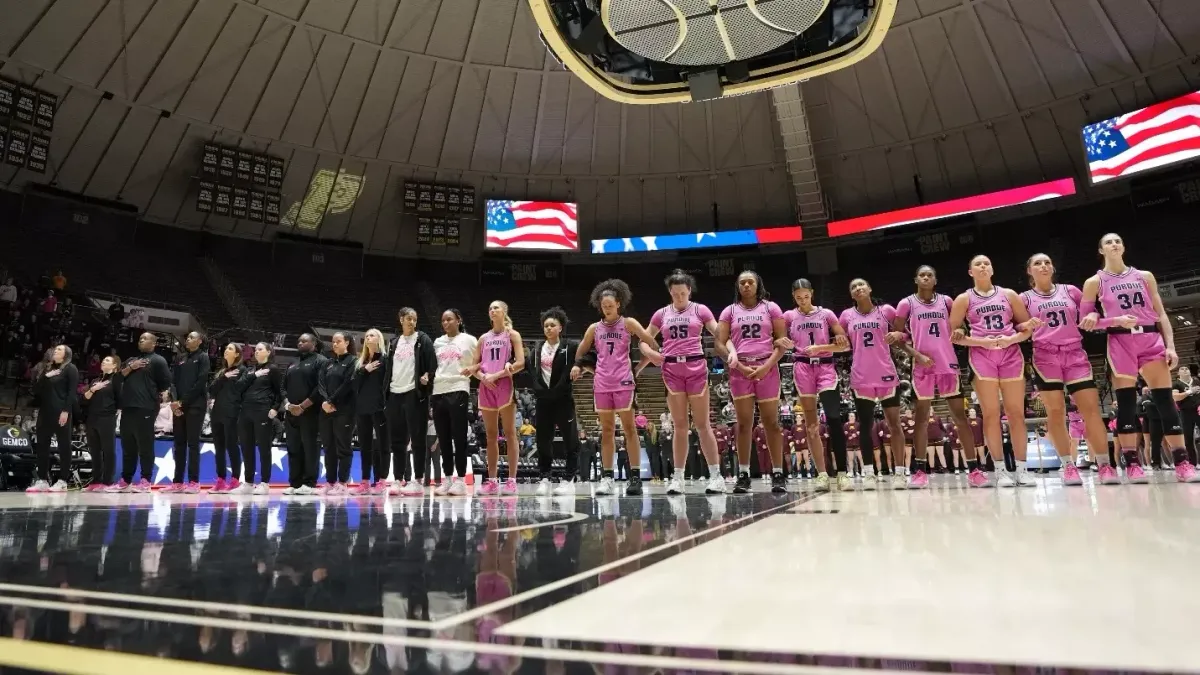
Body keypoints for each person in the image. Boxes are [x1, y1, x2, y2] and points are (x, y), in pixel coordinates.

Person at [1079, 232, 1199, 482]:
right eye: (1108, 242)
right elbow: (1086, 321)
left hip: (1150, 338)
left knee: (1165, 400)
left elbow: (1161, 313)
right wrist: (1113, 320)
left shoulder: (1144, 276)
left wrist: (1171, 346)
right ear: (1101, 250)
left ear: (1123, 247)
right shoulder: (1094, 281)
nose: (1114, 244)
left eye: (1118, 241)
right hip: (1120, 340)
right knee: (1125, 403)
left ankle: (1182, 462)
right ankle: (1132, 464)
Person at [1018, 253, 1113, 485]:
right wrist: (1025, 325)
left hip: (1075, 353)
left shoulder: (1070, 291)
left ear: (1053, 268)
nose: (1043, 265)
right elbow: (1017, 326)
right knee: (1056, 412)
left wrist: (1093, 314)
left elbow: (1091, 312)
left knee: (1091, 411)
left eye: (1047, 262)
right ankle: (1068, 466)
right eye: (1038, 263)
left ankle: (1104, 465)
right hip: (1045, 355)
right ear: (1029, 271)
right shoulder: (1023, 299)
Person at [893, 265, 985, 488]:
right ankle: (920, 471)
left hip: (948, 362)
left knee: (960, 417)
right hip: (921, 365)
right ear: (916, 279)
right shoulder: (906, 303)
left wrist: (961, 330)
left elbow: (960, 326)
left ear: (935, 280)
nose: (925, 277)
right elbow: (898, 338)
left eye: (930, 275)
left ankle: (974, 469)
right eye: (922, 275)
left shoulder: (947, 302)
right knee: (922, 419)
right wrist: (917, 355)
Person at [949, 255, 1035, 487]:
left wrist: (1012, 339)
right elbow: (954, 336)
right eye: (978, 264)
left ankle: (1022, 469)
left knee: (1016, 413)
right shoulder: (963, 299)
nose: (983, 266)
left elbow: (1027, 328)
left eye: (986, 263)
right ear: (970, 272)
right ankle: (999, 470)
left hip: (1010, 354)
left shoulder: (1009, 295)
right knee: (990, 414)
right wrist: (981, 342)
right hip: (981, 355)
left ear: (992, 269)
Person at [573, 279, 660, 496]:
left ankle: (635, 477)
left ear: (619, 304)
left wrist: (639, 366)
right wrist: (588, 369)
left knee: (629, 429)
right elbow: (579, 354)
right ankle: (607, 478)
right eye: (604, 306)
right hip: (602, 383)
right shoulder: (594, 328)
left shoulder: (629, 323)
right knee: (607, 431)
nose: (607, 309)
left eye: (610, 305)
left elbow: (652, 343)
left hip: (624, 382)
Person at [644, 270, 726, 495]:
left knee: (702, 424)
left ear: (689, 290)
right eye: (675, 293)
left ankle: (716, 476)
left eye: (683, 293)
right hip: (671, 368)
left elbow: (719, 332)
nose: (679, 297)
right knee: (679, 426)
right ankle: (677, 478)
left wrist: (731, 347)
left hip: (696, 366)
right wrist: (650, 353)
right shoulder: (661, 314)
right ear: (670, 292)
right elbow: (643, 340)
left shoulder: (701, 310)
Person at [717, 271, 788, 494]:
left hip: (767, 367)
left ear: (758, 285)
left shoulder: (771, 308)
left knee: (771, 422)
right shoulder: (729, 311)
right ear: (737, 287)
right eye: (742, 283)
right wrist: (739, 366)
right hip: (741, 371)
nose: (746, 285)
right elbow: (720, 343)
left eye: (750, 282)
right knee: (743, 424)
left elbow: (782, 342)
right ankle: (743, 474)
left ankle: (778, 473)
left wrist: (767, 366)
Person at [781, 278, 850, 491]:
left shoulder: (826, 314)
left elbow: (844, 345)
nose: (803, 300)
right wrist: (782, 341)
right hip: (802, 367)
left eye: (806, 296)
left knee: (834, 418)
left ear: (811, 293)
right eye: (798, 297)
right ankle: (821, 474)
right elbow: (779, 339)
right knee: (811, 425)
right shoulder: (788, 316)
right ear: (793, 297)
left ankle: (842, 473)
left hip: (826, 366)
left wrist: (821, 347)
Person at [839, 278, 906, 490]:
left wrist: (899, 334)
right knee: (866, 426)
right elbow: (841, 342)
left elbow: (904, 334)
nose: (858, 288)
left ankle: (900, 473)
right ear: (851, 294)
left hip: (886, 373)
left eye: (861, 285)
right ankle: (869, 473)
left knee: (894, 424)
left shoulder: (886, 311)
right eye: (853, 287)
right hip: (861, 376)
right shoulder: (846, 316)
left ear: (869, 288)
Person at [464, 300, 525, 495]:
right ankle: (492, 481)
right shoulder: (483, 338)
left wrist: (496, 375)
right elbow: (475, 366)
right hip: (486, 386)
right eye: (490, 308)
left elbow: (521, 363)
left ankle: (512, 480)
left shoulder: (512, 335)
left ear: (504, 311)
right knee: (491, 436)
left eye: (496, 307)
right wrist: (482, 377)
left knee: (510, 433)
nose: (492, 310)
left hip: (504, 384)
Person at [107, 333, 172, 493]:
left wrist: (153, 394)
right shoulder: (131, 360)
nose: (141, 340)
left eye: (145, 338)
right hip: (128, 407)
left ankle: (145, 480)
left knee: (145, 446)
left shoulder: (158, 360)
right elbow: (117, 378)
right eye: (140, 338)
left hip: (146, 407)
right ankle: (126, 480)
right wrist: (131, 367)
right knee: (128, 446)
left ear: (154, 343)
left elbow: (165, 382)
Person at [383, 308, 438, 496]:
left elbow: (432, 364)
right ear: (401, 320)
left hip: (414, 394)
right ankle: (398, 479)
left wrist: (427, 376)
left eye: (414, 319)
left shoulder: (423, 339)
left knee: (417, 438)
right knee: (397, 440)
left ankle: (418, 479)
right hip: (394, 393)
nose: (412, 322)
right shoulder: (393, 343)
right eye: (408, 318)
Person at [529, 306, 583, 496]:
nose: (549, 328)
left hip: (563, 399)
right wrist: (539, 389)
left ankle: (568, 479)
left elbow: (583, 360)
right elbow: (532, 372)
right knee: (543, 441)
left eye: (552, 325)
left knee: (570, 440)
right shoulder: (536, 349)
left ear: (560, 327)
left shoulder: (570, 347)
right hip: (543, 401)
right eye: (546, 325)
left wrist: (578, 367)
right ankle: (545, 478)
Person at [431, 309, 477, 496]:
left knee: (459, 436)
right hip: (438, 390)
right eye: (443, 320)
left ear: (459, 320)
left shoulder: (470, 340)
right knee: (443, 438)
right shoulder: (437, 342)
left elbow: (480, 361)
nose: (445, 323)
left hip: (458, 387)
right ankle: (448, 478)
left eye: (449, 319)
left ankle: (460, 479)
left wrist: (473, 368)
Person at [27, 345, 79, 493]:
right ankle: (42, 480)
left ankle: (63, 481)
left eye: (59, 350)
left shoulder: (70, 368)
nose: (56, 351)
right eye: (55, 349)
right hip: (45, 412)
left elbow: (72, 392)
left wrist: (66, 411)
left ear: (66, 354)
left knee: (64, 445)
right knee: (42, 445)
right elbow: (36, 390)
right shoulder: (48, 369)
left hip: (61, 412)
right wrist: (45, 377)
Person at [164, 331, 210, 494]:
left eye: (192, 337)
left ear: (199, 341)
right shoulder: (180, 358)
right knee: (179, 443)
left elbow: (201, 382)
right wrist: (175, 401)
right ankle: (177, 482)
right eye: (187, 337)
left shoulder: (203, 357)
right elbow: (173, 381)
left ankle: (193, 482)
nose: (188, 339)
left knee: (192, 443)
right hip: (178, 405)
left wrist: (182, 401)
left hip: (195, 405)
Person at [281, 334, 327, 496]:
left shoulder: (321, 361)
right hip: (291, 413)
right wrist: (288, 405)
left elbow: (320, 388)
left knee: (310, 448)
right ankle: (295, 483)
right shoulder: (293, 363)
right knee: (293, 448)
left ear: (314, 344)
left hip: (311, 413)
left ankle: (309, 483)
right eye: (299, 341)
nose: (300, 343)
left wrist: (302, 406)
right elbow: (283, 387)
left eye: (304, 341)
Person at [234, 342, 282, 495]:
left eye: (260, 349)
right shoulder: (250, 370)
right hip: (245, 411)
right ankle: (248, 482)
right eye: (255, 349)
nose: (256, 351)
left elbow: (280, 391)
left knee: (263, 448)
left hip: (262, 411)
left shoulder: (273, 369)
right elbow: (238, 387)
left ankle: (265, 483)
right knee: (246, 447)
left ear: (268, 352)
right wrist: (254, 375)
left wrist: (275, 408)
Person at [318, 332, 357, 495]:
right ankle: (330, 482)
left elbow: (348, 384)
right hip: (326, 410)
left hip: (345, 410)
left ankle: (342, 482)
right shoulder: (328, 363)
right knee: (328, 447)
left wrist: (331, 400)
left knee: (343, 447)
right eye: (333, 341)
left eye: (338, 341)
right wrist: (326, 401)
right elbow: (321, 383)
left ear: (347, 342)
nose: (334, 344)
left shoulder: (353, 361)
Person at [353, 329, 389, 494]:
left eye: (372, 335)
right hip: (362, 408)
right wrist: (364, 370)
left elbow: (388, 383)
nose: (368, 338)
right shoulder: (361, 362)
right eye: (366, 336)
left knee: (383, 444)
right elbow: (353, 384)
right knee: (365, 446)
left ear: (379, 339)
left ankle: (382, 480)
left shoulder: (385, 359)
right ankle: (365, 481)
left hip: (380, 408)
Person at [207, 343, 245, 494]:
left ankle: (235, 479)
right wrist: (223, 377)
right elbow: (211, 390)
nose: (226, 350)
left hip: (232, 413)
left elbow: (242, 392)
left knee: (232, 446)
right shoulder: (222, 372)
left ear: (237, 354)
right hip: (217, 413)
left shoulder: (242, 370)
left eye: (230, 349)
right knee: (219, 448)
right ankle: (221, 480)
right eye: (226, 348)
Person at [83, 355, 122, 491]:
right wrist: (94, 389)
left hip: (107, 417)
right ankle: (96, 480)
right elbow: (86, 397)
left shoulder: (116, 380)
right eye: (103, 360)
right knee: (95, 450)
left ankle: (108, 482)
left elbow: (120, 398)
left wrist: (116, 412)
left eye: (107, 360)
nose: (103, 362)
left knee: (108, 450)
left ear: (114, 365)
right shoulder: (96, 380)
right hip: (92, 417)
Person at [1172, 365, 1200, 465]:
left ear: (1189, 372)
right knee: (1188, 439)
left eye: (1186, 369)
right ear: (1178, 373)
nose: (1184, 370)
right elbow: (1175, 397)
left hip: (1198, 410)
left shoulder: (1196, 381)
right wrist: (1189, 391)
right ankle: (1193, 463)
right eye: (1182, 369)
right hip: (1185, 412)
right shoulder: (1176, 384)